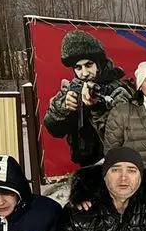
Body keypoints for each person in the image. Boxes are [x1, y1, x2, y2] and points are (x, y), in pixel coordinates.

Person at [42, 30, 132, 167]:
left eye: (89, 65)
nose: (84, 73)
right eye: (78, 67)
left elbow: (124, 133)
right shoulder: (72, 89)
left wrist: (98, 106)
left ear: (99, 64)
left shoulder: (119, 88)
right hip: (86, 166)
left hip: (118, 164)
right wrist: (63, 108)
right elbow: (53, 129)